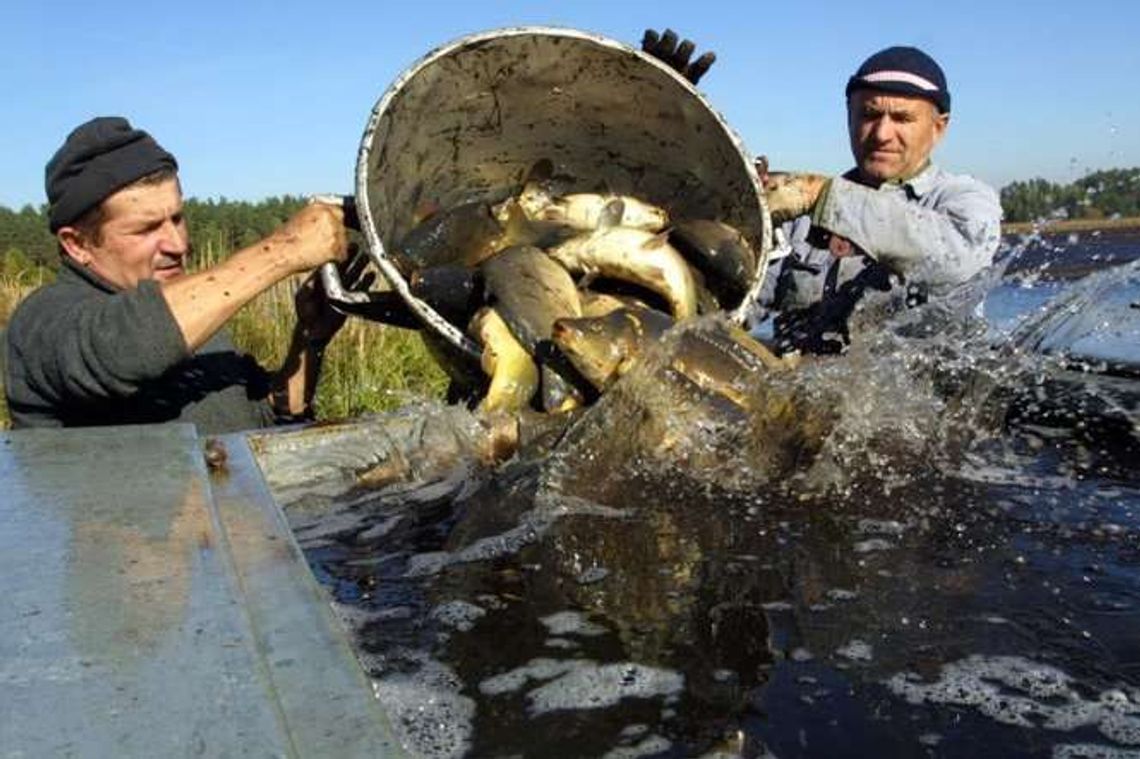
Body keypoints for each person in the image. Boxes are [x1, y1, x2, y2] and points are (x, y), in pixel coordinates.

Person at [4, 116, 356, 433]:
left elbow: (263, 423)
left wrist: (309, 340)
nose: (177, 244)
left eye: (177, 218)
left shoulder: (194, 321)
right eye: (146, 229)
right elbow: (124, 349)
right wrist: (285, 248)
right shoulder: (43, 322)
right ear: (77, 244)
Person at [751, 45, 1003, 354]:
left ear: (939, 128)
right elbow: (732, 307)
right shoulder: (798, 217)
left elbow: (959, 262)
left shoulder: (964, 199)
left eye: (902, 118)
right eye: (869, 114)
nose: (882, 133)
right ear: (849, 117)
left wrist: (822, 197)